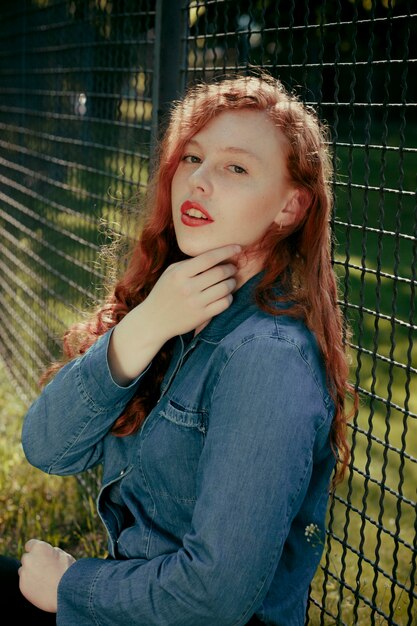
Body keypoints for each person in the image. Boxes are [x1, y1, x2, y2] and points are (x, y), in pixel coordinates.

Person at [3, 71, 355, 625]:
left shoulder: (265, 358)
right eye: (191, 158)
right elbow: (48, 446)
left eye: (235, 167)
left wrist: (72, 586)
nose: (199, 182)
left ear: (290, 207)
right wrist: (145, 327)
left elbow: (214, 598)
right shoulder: (175, 310)